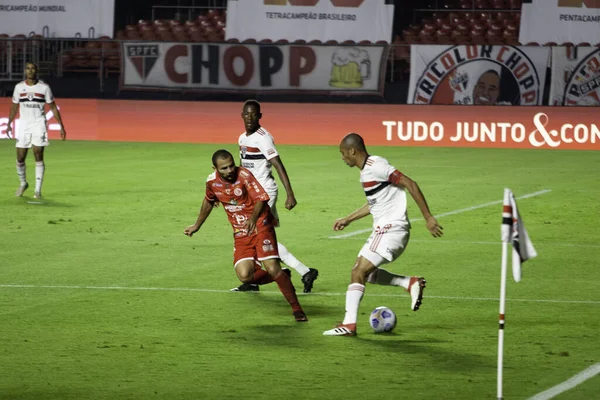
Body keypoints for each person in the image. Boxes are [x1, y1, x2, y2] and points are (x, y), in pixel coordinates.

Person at [323, 133, 443, 337]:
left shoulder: (376, 167)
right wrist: (348, 219)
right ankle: (408, 283)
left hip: (390, 229)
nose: (343, 158)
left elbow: (410, 183)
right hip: (387, 229)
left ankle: (349, 325)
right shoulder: (369, 168)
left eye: (343, 154)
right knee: (366, 273)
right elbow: (375, 203)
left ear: (352, 151)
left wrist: (428, 217)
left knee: (357, 272)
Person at [184, 149, 308, 322]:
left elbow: (261, 198)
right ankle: (281, 276)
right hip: (241, 233)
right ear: (215, 168)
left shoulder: (244, 175)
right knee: (245, 275)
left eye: (231, 166)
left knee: (271, 266)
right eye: (224, 169)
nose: (229, 171)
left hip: (261, 224)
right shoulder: (212, 182)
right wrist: (197, 225)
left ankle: (297, 309)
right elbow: (209, 200)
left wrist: (253, 219)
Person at [231, 99, 319, 293]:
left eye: (254, 114)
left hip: (265, 193)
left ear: (260, 116)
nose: (250, 117)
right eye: (247, 114)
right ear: (242, 115)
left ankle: (303, 271)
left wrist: (290, 194)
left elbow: (278, 164)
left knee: (259, 236)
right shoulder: (242, 139)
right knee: (259, 236)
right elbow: (243, 166)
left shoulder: (264, 138)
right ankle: (301, 272)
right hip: (252, 195)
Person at [7, 62, 67, 199]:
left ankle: (37, 191)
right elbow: (14, 106)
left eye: (32, 68)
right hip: (23, 124)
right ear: (25, 71)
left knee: (38, 154)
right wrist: (9, 123)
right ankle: (23, 183)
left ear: (36, 71)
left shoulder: (44, 88)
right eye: (28, 68)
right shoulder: (19, 87)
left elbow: (52, 107)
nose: (30, 70)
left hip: (38, 124)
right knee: (20, 157)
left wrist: (61, 126)